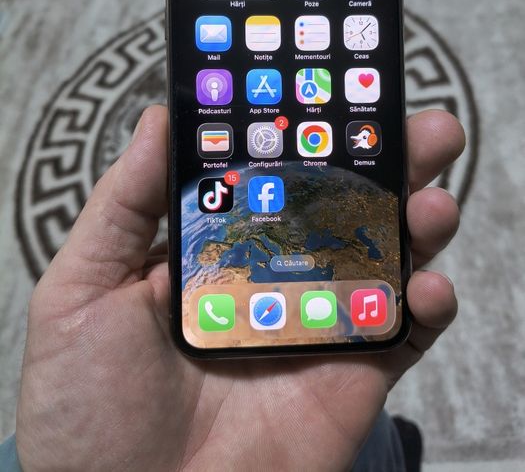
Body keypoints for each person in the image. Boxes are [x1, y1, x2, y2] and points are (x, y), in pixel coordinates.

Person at [0, 106, 464, 471]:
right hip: (325, 426)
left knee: (368, 420)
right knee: (372, 427)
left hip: (329, 419)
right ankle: (392, 447)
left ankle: (389, 445)